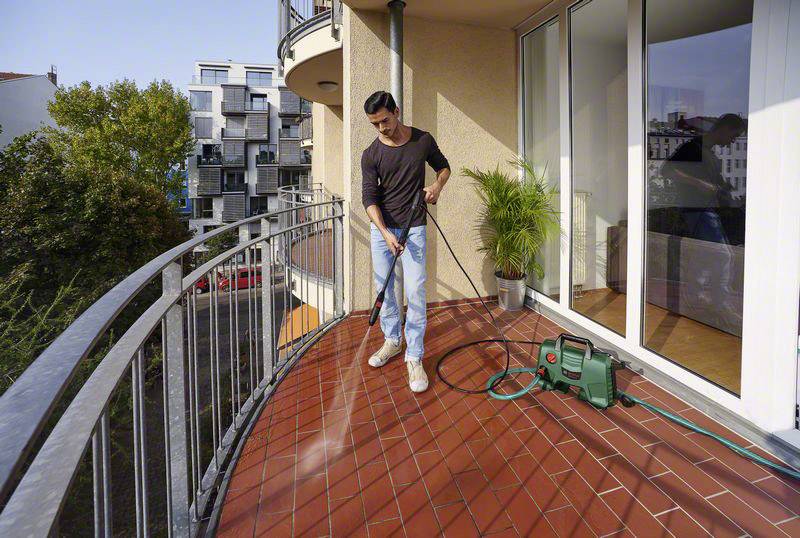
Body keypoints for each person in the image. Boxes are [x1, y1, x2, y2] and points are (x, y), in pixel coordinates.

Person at [361, 91, 451, 393]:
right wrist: (385, 233)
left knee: (414, 291)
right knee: (385, 291)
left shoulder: (421, 140)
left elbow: (443, 166)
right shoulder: (371, 154)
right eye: (375, 124)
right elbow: (369, 198)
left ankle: (414, 357)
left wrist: (437, 186)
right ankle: (392, 341)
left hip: (413, 227)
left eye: (385, 120)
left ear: (396, 111)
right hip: (383, 229)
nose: (382, 128)